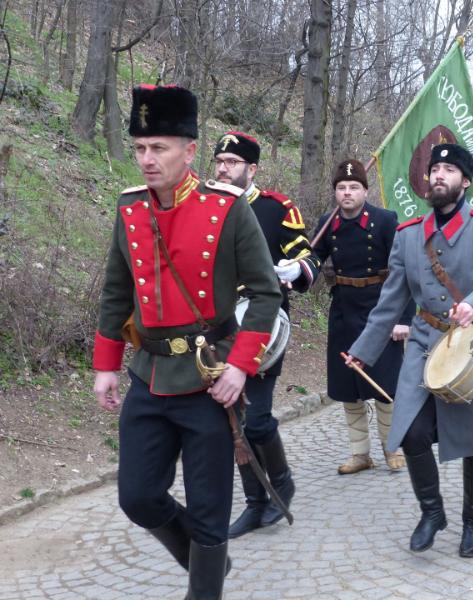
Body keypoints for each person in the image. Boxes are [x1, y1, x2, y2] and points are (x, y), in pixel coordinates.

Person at [92, 85, 283, 598]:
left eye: (159, 148)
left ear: (189, 150)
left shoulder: (227, 207)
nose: (147, 160)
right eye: (140, 148)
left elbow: (266, 293)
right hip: (149, 376)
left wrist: (242, 366)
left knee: (209, 510)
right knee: (137, 497)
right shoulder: (130, 208)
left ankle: (204, 583)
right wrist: (106, 365)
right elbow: (116, 290)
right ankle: (207, 564)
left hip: (209, 379)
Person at [345, 144, 473, 558]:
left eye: (449, 169)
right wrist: (364, 350)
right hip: (426, 343)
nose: (439, 175)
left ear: (465, 181)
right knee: (411, 432)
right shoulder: (409, 235)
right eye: (435, 169)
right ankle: (432, 513)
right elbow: (391, 300)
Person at [212, 131, 320, 538]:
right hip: (219, 329)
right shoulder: (205, 205)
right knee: (233, 421)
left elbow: (306, 253)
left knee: (256, 420)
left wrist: (298, 269)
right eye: (220, 161)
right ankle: (256, 502)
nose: (224, 168)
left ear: (252, 169)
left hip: (263, 326)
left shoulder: (277, 208)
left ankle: (282, 483)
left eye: (233, 162)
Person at [313, 159, 413, 474]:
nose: (347, 193)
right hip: (343, 309)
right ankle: (360, 454)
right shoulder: (327, 223)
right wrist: (297, 268)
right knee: (347, 387)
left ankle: (392, 448)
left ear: (365, 191)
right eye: (341, 188)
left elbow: (404, 273)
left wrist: (404, 320)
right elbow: (313, 259)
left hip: (381, 311)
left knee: (385, 385)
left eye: (354, 187)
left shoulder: (385, 221)